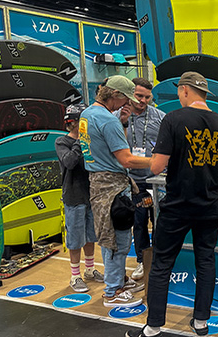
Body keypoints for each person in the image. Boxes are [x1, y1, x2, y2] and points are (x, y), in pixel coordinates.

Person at [126, 71, 218, 337]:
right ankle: (201, 322)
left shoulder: (173, 119)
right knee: (206, 261)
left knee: (162, 264)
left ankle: (153, 329)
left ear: (185, 90)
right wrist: (209, 167)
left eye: (179, 91)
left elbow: (157, 167)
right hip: (209, 206)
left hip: (178, 205)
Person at [79, 76, 152, 308]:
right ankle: (112, 291)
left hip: (98, 183)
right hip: (112, 188)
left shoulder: (87, 114)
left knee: (110, 235)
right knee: (116, 240)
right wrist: (157, 161)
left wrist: (122, 122)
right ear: (115, 95)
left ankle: (118, 279)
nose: (127, 104)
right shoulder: (107, 120)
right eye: (125, 99)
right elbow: (126, 159)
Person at [113, 77, 165, 281]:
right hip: (132, 182)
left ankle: (160, 260)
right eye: (139, 96)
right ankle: (143, 261)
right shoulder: (117, 116)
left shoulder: (160, 117)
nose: (143, 101)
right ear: (130, 94)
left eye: (147, 97)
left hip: (157, 180)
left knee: (159, 223)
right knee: (139, 223)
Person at [55, 103, 102, 293]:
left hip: (91, 194)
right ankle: (75, 276)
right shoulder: (62, 142)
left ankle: (90, 269)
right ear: (74, 122)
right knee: (75, 238)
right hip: (74, 196)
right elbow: (69, 162)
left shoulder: (89, 140)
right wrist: (80, 141)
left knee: (91, 235)